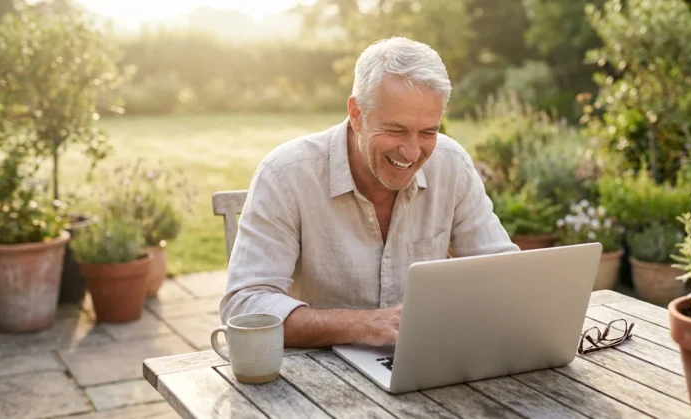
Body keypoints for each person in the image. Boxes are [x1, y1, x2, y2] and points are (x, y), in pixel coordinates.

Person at [220, 36, 519, 348]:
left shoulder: (451, 164)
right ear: (356, 114)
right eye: (396, 130)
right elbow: (244, 307)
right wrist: (364, 325)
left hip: (422, 364)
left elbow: (504, 274)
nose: (412, 152)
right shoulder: (285, 174)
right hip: (316, 374)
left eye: (429, 132)